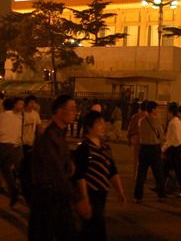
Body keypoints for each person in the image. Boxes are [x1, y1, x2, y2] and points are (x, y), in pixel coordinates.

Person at [29, 94, 80, 241]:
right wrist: (77, 199)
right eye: (72, 108)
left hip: (56, 196)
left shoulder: (59, 135)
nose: (75, 112)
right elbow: (56, 171)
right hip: (47, 198)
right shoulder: (49, 137)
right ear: (59, 111)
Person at [74, 111, 127, 240]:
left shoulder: (105, 147)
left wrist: (120, 191)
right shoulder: (84, 147)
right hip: (90, 193)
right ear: (89, 127)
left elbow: (112, 170)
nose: (103, 127)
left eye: (103, 123)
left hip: (102, 194)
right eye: (99, 124)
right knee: (97, 230)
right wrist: (84, 199)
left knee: (88, 231)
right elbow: (80, 176)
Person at [134, 101, 166, 203]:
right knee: (158, 173)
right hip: (154, 149)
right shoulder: (157, 121)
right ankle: (161, 195)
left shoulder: (141, 121)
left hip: (144, 148)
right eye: (156, 108)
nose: (157, 110)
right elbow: (161, 136)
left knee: (141, 174)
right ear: (152, 109)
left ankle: (138, 197)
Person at [161, 103, 181, 199]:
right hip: (178, 149)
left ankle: (161, 189)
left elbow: (169, 139)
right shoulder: (180, 123)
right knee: (173, 171)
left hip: (172, 150)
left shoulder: (172, 123)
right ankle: (161, 188)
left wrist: (163, 149)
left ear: (170, 112)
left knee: (167, 170)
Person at [19, 95, 42, 203]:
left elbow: (39, 127)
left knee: (28, 166)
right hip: (21, 142)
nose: (33, 104)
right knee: (22, 165)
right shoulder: (21, 114)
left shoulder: (35, 114)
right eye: (31, 102)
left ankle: (25, 187)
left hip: (31, 142)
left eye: (34, 102)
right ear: (26, 103)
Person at [127, 101, 147, 179]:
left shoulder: (135, 116)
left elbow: (130, 128)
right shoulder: (149, 116)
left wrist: (129, 138)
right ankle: (142, 175)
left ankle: (135, 175)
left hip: (136, 138)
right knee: (144, 159)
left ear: (140, 108)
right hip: (146, 139)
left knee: (136, 158)